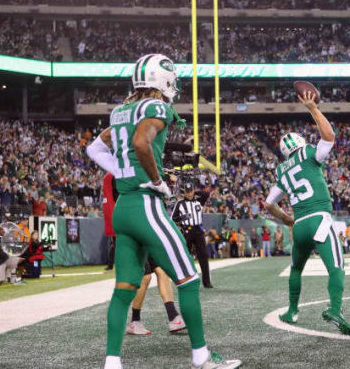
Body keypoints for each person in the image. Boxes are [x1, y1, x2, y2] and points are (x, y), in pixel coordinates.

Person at [85, 53, 240, 369]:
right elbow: (142, 143)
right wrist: (156, 180)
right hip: (146, 205)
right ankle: (201, 357)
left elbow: (94, 148)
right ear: (163, 79)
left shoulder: (120, 112)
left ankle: (112, 363)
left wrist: (121, 171)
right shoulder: (157, 108)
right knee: (188, 279)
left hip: (123, 209)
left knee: (124, 290)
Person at [263, 88, 350, 335]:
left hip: (301, 224)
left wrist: (288, 220)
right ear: (301, 144)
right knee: (336, 267)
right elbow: (329, 136)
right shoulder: (308, 153)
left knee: (296, 269)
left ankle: (292, 311)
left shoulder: (282, 170)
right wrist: (313, 108)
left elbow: (268, 204)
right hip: (319, 219)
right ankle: (335, 309)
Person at [125, 258, 187, 335]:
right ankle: (135, 321)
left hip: (147, 245)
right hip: (130, 246)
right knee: (145, 276)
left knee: (162, 270)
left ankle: (173, 317)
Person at [173, 182, 213, 288]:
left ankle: (207, 282)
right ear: (184, 192)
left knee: (203, 256)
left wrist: (196, 192)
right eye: (187, 192)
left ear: (193, 191)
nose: (189, 194)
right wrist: (183, 218)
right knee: (186, 256)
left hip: (198, 231)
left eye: (191, 191)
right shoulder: (180, 203)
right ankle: (186, 280)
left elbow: (206, 194)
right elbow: (173, 218)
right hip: (187, 231)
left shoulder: (199, 201)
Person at [102, 172, 117, 271]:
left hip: (111, 212)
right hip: (116, 211)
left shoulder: (108, 177)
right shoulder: (113, 176)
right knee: (115, 242)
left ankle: (110, 264)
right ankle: (111, 264)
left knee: (114, 242)